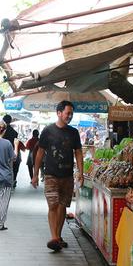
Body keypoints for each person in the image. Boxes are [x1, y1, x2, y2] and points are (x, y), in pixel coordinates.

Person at [31, 101, 83, 252]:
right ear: (59, 113)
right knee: (53, 205)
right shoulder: (48, 131)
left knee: (62, 207)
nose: (70, 116)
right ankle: (54, 237)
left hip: (67, 176)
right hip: (51, 174)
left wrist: (80, 172)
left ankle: (58, 237)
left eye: (71, 114)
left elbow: (78, 152)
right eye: (68, 113)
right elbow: (40, 153)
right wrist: (35, 175)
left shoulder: (73, 132)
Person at [1, 114, 23, 187]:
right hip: (13, 152)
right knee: (15, 167)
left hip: (3, 153)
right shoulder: (14, 132)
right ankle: (13, 180)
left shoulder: (1, 132)